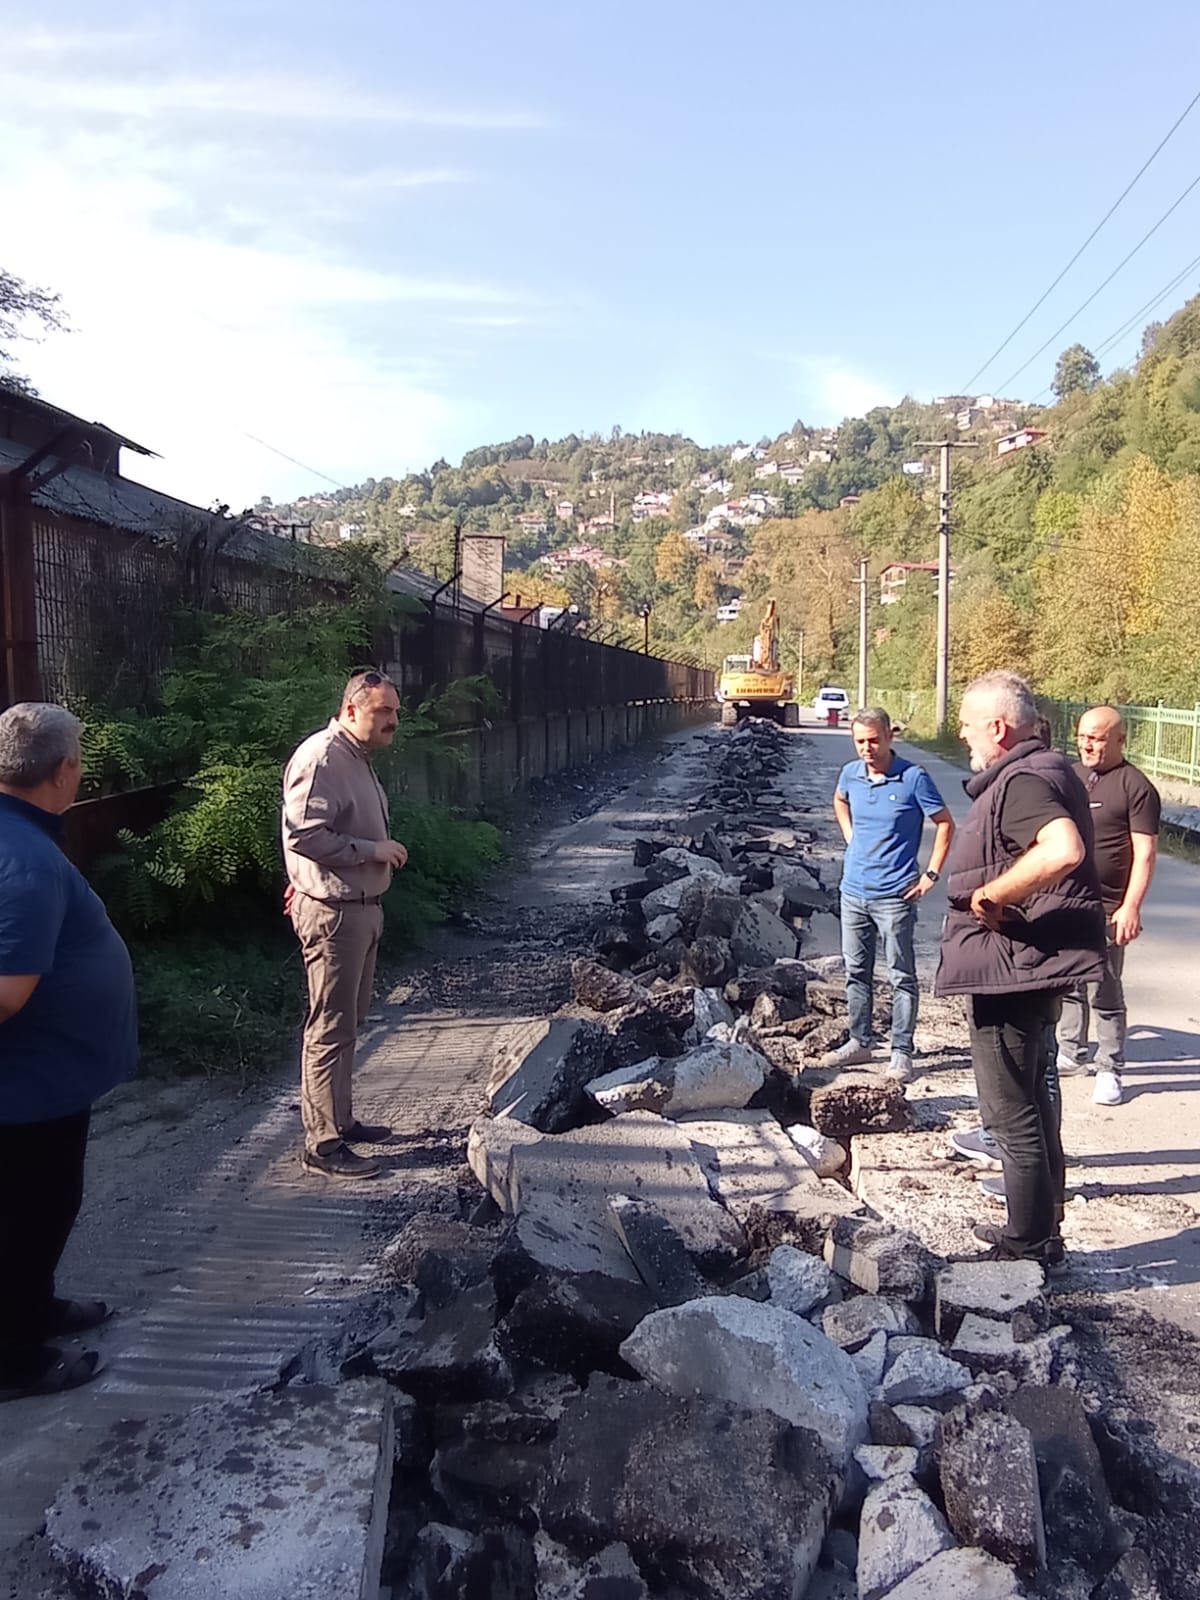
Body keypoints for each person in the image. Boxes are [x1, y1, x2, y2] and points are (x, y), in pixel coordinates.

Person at [936, 671, 1106, 1265]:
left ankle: (1028, 1245)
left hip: (1013, 967)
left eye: (965, 724)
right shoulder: (1046, 769)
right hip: (1031, 963)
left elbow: (1063, 850)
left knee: (1010, 1115)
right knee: (1034, 1099)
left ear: (998, 728)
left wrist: (993, 897)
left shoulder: (1024, 779)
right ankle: (1043, 1229)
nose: (962, 735)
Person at [0, 703, 138, 1401]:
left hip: (41, 1081)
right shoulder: (25, 861)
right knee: (33, 1212)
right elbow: (7, 994)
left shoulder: (18, 837)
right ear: (64, 770)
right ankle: (13, 1358)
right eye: (80, 755)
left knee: (38, 1209)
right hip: (29, 1088)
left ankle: (33, 1307)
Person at [283, 670, 410, 1180]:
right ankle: (322, 1144)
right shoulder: (322, 757)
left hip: (360, 909)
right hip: (336, 915)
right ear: (353, 709)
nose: (393, 722)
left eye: (396, 713)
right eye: (384, 712)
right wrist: (371, 851)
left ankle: (342, 1120)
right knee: (329, 1027)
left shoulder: (355, 757)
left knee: (349, 1022)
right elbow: (305, 834)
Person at [825, 708, 955, 1080]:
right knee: (855, 970)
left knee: (900, 973)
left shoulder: (913, 778)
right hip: (853, 891)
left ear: (889, 737)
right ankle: (859, 1041)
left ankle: (901, 1051)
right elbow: (839, 799)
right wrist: (850, 836)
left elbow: (945, 823)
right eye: (860, 741)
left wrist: (931, 874)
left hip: (895, 896)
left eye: (874, 740)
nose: (867, 748)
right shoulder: (851, 774)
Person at [1056, 705, 1160, 1107]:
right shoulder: (1070, 775)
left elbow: (1145, 853)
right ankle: (1069, 1050)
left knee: (1105, 987)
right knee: (1067, 982)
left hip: (1110, 905)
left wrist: (1131, 906)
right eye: (1083, 736)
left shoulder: (1136, 786)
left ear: (1120, 739)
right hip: (1067, 900)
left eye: (1098, 737)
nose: (1088, 744)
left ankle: (1110, 1068)